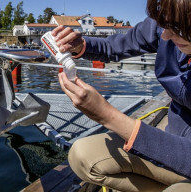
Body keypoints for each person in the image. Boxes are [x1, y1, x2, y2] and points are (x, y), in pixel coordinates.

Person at [52, 0, 191, 191]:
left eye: (180, 28)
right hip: (171, 141)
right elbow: (115, 46)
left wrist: (107, 115)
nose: (166, 35)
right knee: (82, 156)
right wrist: (80, 45)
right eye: (165, 23)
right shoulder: (168, 20)